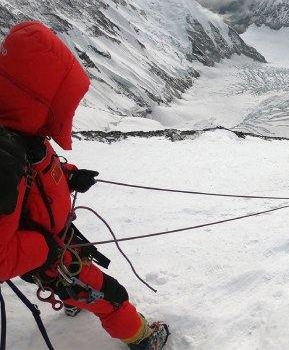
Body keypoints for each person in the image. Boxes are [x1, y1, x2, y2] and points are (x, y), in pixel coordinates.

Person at [0, 22, 169, 350]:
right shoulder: (4, 161)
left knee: (82, 282)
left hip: (55, 243)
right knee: (111, 296)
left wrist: (69, 174)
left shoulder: (16, 131)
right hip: (49, 257)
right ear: (39, 97)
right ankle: (143, 338)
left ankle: (74, 297)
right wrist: (45, 250)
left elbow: (36, 168)